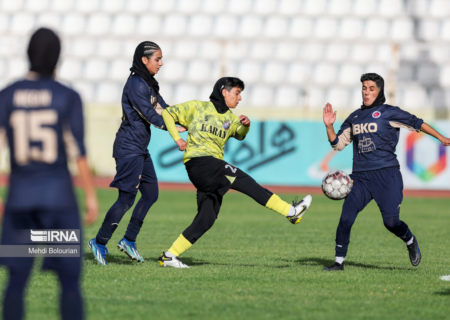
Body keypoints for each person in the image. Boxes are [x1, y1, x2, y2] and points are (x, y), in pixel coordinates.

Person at [157, 77, 312, 268]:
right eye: (237, 93)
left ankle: (169, 256)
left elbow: (239, 135)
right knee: (247, 182)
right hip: (201, 164)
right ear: (224, 92)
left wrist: (245, 126)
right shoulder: (197, 107)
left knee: (207, 219)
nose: (239, 98)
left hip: (210, 170)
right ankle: (291, 212)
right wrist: (178, 139)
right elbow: (167, 113)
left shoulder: (230, 118)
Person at [0, 28, 98, 320]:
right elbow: (77, 152)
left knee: (16, 283)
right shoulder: (67, 96)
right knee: (68, 284)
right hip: (59, 204)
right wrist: (91, 196)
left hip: (19, 204)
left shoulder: (7, 96)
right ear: (58, 56)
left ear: (28, 53)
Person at [322, 73, 450, 271]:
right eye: (364, 88)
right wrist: (329, 126)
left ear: (380, 91)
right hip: (361, 178)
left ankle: (410, 240)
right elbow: (337, 144)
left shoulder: (389, 112)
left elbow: (417, 123)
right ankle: (339, 263)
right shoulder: (354, 117)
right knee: (346, 218)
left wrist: (441, 138)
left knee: (391, 223)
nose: (366, 92)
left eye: (371, 88)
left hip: (387, 175)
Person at [88, 41, 186, 265]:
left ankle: (129, 240)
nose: (161, 63)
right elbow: (151, 115)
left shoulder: (148, 84)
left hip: (139, 148)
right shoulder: (135, 84)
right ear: (144, 59)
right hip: (128, 147)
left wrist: (188, 119)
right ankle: (99, 242)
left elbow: (164, 109)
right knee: (126, 199)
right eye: (157, 59)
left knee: (151, 194)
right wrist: (175, 130)